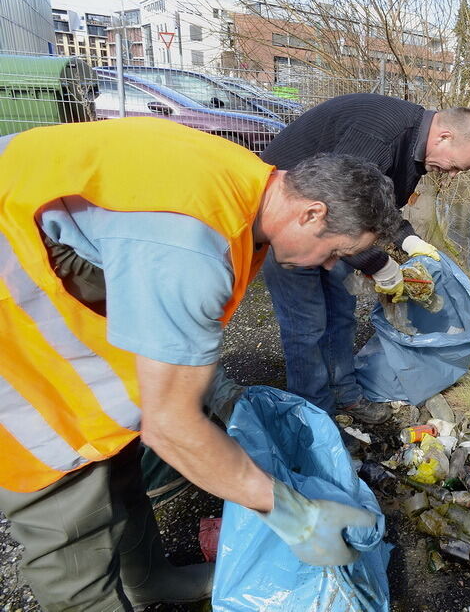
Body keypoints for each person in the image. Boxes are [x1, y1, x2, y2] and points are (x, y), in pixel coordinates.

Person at [0, 117, 400, 611]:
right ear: (312, 213)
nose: (326, 266)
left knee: (119, 437)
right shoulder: (191, 246)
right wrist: (297, 515)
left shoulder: (247, 185)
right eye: (335, 251)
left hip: (46, 252)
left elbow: (166, 323)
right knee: (66, 468)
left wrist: (219, 391)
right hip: (12, 306)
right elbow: (170, 429)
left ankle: (147, 578)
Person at [260, 93, 470, 424]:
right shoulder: (380, 136)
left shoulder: (414, 148)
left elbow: (377, 205)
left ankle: (346, 395)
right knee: (307, 325)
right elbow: (339, 209)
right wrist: (379, 265)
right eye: (457, 165)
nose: (452, 175)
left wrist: (407, 239)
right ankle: (314, 415)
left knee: (340, 313)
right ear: (444, 136)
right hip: (290, 223)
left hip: (331, 224)